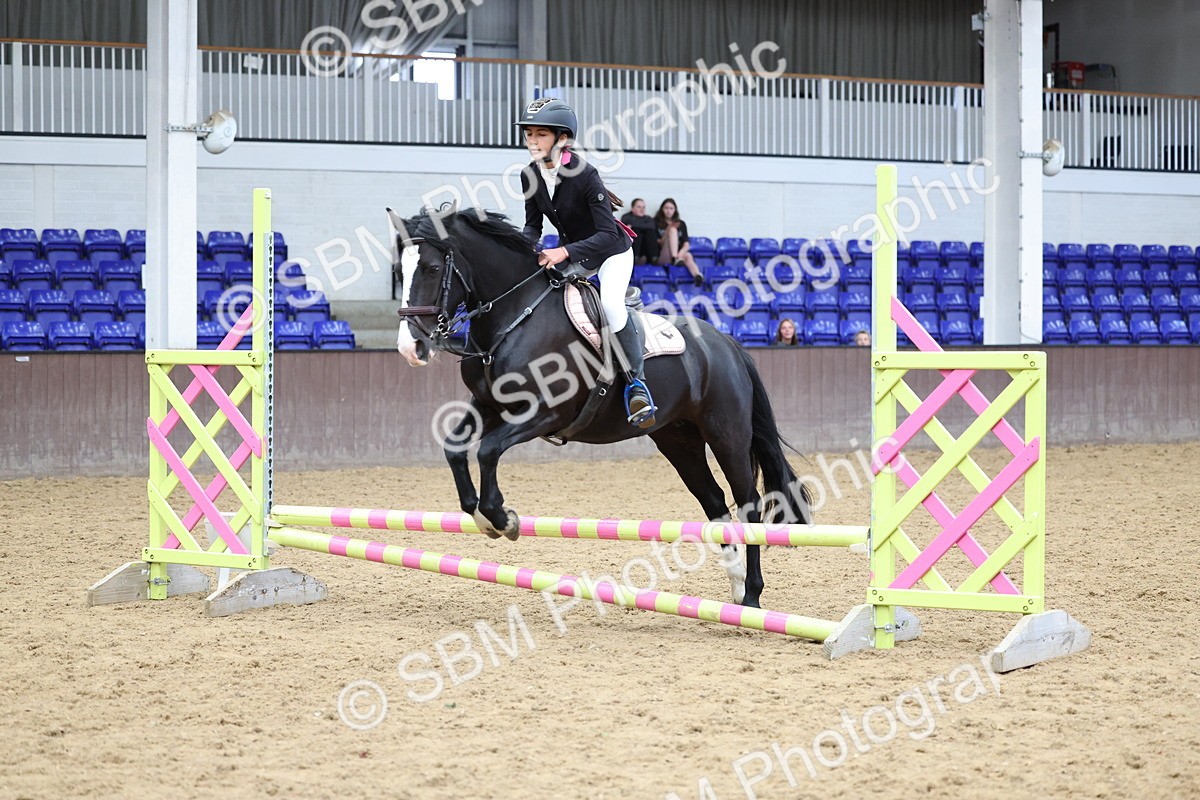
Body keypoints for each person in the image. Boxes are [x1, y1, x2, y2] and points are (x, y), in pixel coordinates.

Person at [516, 97, 656, 428]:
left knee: (609, 305)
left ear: (562, 139)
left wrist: (563, 252)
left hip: (611, 253)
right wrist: (520, 249)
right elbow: (533, 225)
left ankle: (637, 385)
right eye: (528, 134)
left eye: (540, 134)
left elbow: (608, 234)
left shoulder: (585, 174)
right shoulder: (529, 175)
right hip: (577, 255)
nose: (532, 141)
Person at [653, 198, 702, 285]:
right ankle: (675, 258)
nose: (668, 211)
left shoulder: (681, 224)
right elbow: (659, 242)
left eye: (671, 208)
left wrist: (680, 255)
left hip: (678, 257)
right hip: (663, 255)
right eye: (666, 208)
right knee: (673, 230)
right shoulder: (655, 222)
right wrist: (668, 230)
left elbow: (686, 243)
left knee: (688, 255)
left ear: (675, 210)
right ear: (662, 209)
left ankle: (697, 276)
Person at [620, 198, 659, 265]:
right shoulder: (626, 217)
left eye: (643, 207)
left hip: (646, 247)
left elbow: (652, 226)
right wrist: (642, 225)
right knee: (636, 232)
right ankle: (636, 257)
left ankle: (654, 258)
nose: (642, 210)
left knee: (649, 233)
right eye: (639, 207)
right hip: (633, 247)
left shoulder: (648, 218)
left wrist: (633, 225)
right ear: (632, 208)